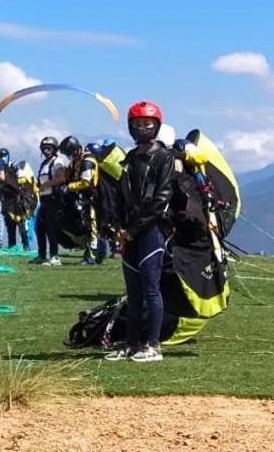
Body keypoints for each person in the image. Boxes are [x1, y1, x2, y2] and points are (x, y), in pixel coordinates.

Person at [107, 100, 174, 363]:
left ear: (156, 126)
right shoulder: (130, 158)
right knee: (132, 290)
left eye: (147, 124)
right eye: (137, 125)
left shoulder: (164, 157)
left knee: (151, 288)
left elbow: (162, 199)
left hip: (152, 231)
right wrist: (119, 227)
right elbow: (121, 196)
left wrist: (133, 230)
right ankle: (131, 342)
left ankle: (153, 345)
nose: (142, 128)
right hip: (130, 232)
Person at [59, 135, 105, 265]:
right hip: (81, 198)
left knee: (92, 226)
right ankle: (89, 253)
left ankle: (92, 256)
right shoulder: (77, 161)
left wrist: (68, 187)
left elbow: (85, 182)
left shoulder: (88, 161)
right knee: (84, 227)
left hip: (91, 198)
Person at [33, 136, 63, 265]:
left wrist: (46, 185)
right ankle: (41, 255)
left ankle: (55, 256)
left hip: (54, 199)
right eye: (44, 148)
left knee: (50, 227)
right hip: (44, 199)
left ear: (54, 149)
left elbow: (61, 178)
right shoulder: (44, 164)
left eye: (49, 148)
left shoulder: (57, 162)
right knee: (39, 227)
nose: (46, 151)